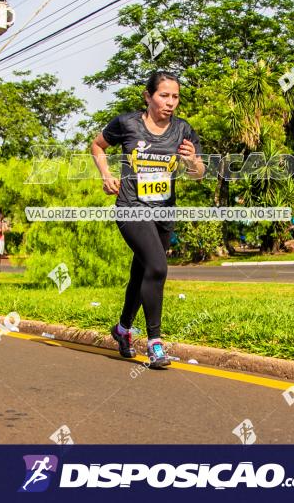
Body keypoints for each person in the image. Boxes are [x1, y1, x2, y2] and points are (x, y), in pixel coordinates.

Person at [90, 71, 205, 369]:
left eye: (175, 97)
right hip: (131, 207)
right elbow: (98, 145)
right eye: (163, 95)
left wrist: (193, 161)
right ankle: (155, 343)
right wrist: (106, 175)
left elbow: (198, 174)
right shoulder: (127, 124)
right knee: (157, 266)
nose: (170, 103)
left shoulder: (183, 130)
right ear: (148, 96)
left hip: (164, 211)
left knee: (141, 274)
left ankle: (123, 329)